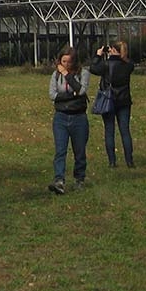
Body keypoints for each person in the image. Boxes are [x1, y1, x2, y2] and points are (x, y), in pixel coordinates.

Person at [47, 46, 90, 194]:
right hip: (61, 117)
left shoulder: (83, 73)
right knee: (60, 150)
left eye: (68, 62)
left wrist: (67, 75)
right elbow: (53, 95)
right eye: (63, 61)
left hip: (78, 117)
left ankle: (79, 179)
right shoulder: (55, 75)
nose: (65, 64)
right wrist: (72, 95)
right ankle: (59, 180)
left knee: (79, 150)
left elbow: (81, 90)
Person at [90, 41, 135, 168]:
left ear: (113, 50)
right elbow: (130, 63)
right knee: (125, 130)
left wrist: (98, 56)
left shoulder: (106, 65)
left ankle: (112, 161)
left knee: (109, 130)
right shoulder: (128, 65)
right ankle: (129, 160)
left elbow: (93, 69)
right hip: (124, 100)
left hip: (108, 99)